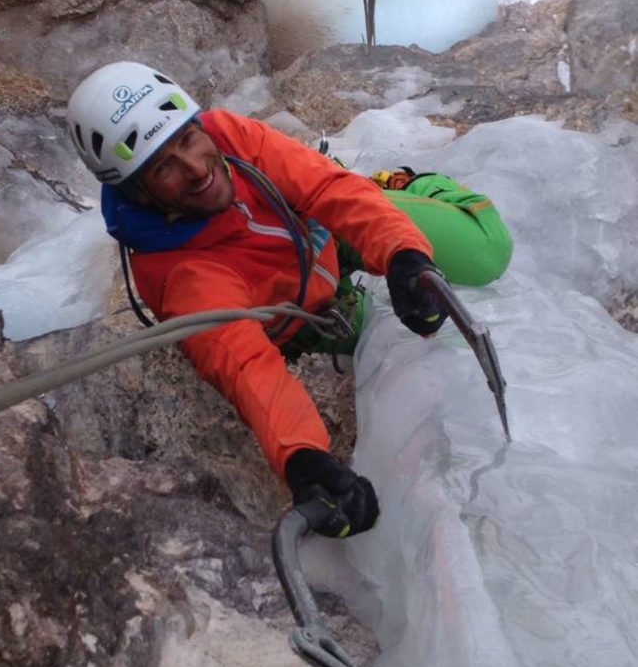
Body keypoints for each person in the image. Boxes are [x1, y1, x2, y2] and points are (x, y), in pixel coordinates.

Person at [67, 61, 512, 538]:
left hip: (327, 229)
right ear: (139, 192)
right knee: (419, 343)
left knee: (486, 252)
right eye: (164, 168)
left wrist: (403, 256)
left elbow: (323, 188)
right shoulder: (182, 273)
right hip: (316, 311)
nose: (196, 169)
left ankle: (398, 185)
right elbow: (244, 365)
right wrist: (304, 459)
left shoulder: (230, 137)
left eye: (187, 141)